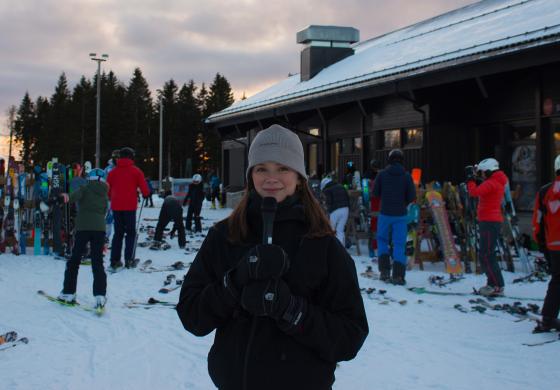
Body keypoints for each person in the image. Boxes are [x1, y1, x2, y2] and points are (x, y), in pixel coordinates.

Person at [176, 124, 368, 390]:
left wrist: (291, 310)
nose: (271, 177)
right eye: (261, 168)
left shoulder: (323, 245)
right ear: (250, 175)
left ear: (299, 177)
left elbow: (350, 336)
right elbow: (191, 315)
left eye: (283, 168)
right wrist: (233, 283)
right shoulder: (225, 236)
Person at [57, 168, 109, 309]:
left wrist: (63, 197)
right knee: (97, 262)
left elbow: (71, 198)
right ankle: (100, 296)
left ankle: (68, 292)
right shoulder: (104, 193)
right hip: (99, 229)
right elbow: (105, 211)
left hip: (83, 227)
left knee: (75, 260)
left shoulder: (85, 188)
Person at [466, 157, 508, 297]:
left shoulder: (492, 183)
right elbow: (482, 188)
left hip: (489, 221)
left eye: (483, 173)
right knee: (487, 254)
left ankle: (497, 285)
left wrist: (470, 180)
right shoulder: (496, 181)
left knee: (486, 254)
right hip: (490, 220)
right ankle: (493, 283)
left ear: (489, 172)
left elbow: (474, 192)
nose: (481, 175)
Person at [373, 149, 416, 284]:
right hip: (400, 214)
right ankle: (398, 276)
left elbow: (375, 193)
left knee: (382, 241)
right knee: (399, 244)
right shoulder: (406, 176)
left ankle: (384, 271)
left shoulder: (382, 175)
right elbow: (411, 196)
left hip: (385, 213)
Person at [106, 147, 150, 269]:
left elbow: (107, 190)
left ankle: (114, 260)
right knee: (130, 233)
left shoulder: (112, 172)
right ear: (131, 157)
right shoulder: (136, 171)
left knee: (118, 233)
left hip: (116, 206)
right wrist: (146, 194)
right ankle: (129, 259)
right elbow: (145, 189)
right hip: (130, 207)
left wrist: (112, 197)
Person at [531, 154, 560, 332]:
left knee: (557, 281)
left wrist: (542, 243)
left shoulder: (545, 191)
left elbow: (538, 221)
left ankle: (547, 319)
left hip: (553, 245)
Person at [320, 176, 350, 246]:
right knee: (340, 230)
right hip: (346, 209)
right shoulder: (341, 186)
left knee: (331, 229)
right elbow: (348, 198)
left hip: (335, 210)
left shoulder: (327, 189)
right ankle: (341, 248)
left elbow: (328, 203)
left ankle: (332, 248)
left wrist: (326, 211)